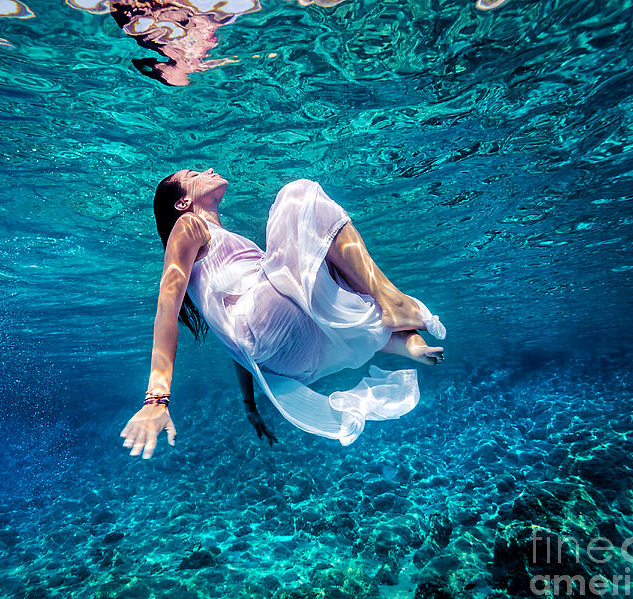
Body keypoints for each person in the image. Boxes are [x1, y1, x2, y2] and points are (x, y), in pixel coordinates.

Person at [121, 168, 446, 459]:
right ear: (182, 204)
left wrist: (249, 405)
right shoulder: (188, 225)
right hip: (265, 331)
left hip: (283, 361)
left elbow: (235, 342)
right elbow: (166, 309)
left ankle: (400, 340)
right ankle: (392, 303)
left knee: (326, 270)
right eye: (193, 175)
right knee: (298, 196)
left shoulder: (219, 271)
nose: (207, 169)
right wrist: (156, 400)